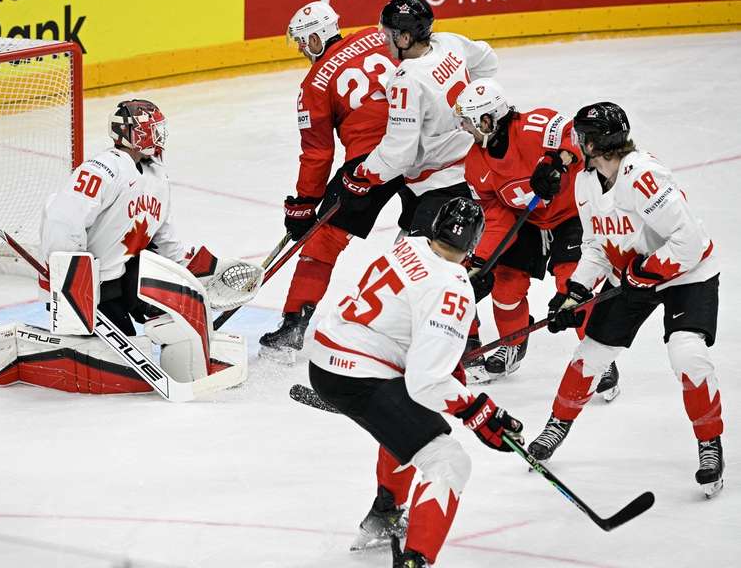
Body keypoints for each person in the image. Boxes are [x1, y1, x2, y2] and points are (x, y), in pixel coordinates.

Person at [0, 100, 260, 394]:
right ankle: (20, 349)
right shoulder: (103, 169)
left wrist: (198, 271)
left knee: (177, 322)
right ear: (129, 133)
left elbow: (166, 240)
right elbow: (63, 218)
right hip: (92, 285)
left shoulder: (157, 177)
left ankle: (188, 359)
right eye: (151, 130)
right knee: (119, 363)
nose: (158, 137)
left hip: (129, 277)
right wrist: (70, 276)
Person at [310, 197, 524, 567]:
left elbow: (420, 352)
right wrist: (479, 412)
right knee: (448, 461)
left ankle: (385, 515)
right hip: (361, 373)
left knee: (410, 425)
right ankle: (416, 561)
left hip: (327, 357)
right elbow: (425, 382)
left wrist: (453, 376)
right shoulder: (453, 289)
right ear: (474, 244)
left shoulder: (407, 245)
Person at [527, 102, 724, 498]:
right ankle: (557, 423)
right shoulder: (585, 182)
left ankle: (709, 443)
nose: (576, 144)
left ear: (596, 142)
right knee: (590, 354)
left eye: (582, 137)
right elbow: (596, 246)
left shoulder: (644, 175)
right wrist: (575, 292)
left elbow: (690, 243)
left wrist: (644, 272)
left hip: (687, 274)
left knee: (687, 355)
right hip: (634, 276)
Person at [339, 0, 499, 369]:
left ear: (406, 39)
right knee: (436, 267)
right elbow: (488, 62)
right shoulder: (451, 44)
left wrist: (364, 174)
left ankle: (458, 350)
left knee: (417, 269)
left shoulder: (408, 80)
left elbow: (399, 153)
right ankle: (463, 342)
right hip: (455, 173)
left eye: (389, 34)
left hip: (437, 185)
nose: (385, 40)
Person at [259, 1, 408, 363]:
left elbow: (317, 153)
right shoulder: (378, 37)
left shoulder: (314, 83)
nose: (299, 49)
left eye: (301, 41)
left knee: (323, 240)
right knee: (429, 240)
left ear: (316, 36)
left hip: (370, 162)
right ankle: (453, 329)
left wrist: (304, 205)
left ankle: (294, 323)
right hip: (420, 141)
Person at [454, 78, 619, 396]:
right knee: (505, 286)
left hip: (572, 215)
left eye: (469, 121)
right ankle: (512, 344)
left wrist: (558, 161)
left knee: (573, 284)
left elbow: (576, 134)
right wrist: (480, 261)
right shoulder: (475, 163)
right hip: (526, 221)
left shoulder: (533, 125)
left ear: (488, 120)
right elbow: (495, 215)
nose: (464, 128)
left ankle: (599, 359)